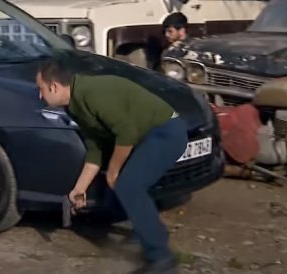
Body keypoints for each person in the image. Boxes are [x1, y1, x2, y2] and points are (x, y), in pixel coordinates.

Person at [35, 57, 187, 274]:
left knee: (128, 185)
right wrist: (79, 188)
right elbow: (96, 147)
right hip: (146, 136)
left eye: (41, 89)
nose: (40, 95)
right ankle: (147, 235)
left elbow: (127, 133)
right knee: (125, 187)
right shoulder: (74, 105)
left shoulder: (93, 93)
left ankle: (162, 259)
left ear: (54, 86)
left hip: (166, 132)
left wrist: (113, 172)